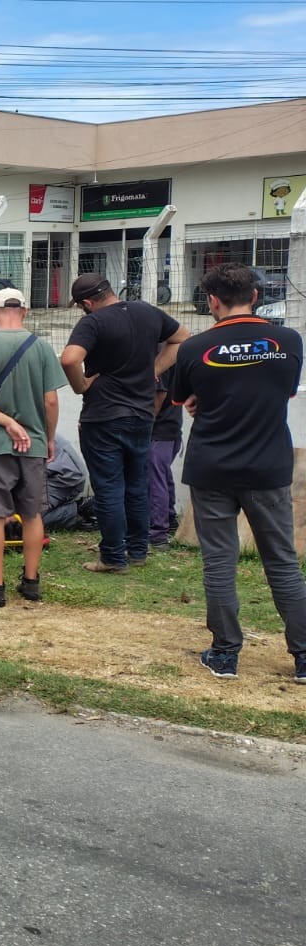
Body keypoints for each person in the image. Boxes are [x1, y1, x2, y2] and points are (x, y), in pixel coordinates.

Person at [167, 263, 306, 682]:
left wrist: (201, 401)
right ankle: (304, 657)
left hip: (212, 466)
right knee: (282, 562)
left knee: (219, 562)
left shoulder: (194, 347)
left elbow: (182, 399)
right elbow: (285, 390)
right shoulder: (287, 340)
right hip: (268, 465)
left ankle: (225, 653)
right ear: (256, 296)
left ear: (211, 300)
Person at [59, 271, 188, 573]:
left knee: (109, 487)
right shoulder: (147, 311)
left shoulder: (93, 322)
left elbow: (68, 359)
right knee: (136, 485)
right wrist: (152, 369)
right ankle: (137, 550)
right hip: (142, 414)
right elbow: (182, 338)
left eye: (80, 305)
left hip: (103, 416)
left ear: (88, 302)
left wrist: (80, 386)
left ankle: (113, 557)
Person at [0, 286, 67, 608]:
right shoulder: (42, 348)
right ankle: (31, 583)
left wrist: (5, 422)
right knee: (32, 514)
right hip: (32, 445)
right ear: (25, 311)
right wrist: (47, 438)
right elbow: (51, 400)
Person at [148, 367, 182, 550]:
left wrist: (145, 422)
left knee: (154, 480)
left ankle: (158, 533)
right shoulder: (174, 354)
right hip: (171, 427)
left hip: (159, 430)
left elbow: (159, 393)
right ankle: (169, 519)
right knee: (162, 476)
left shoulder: (159, 354)